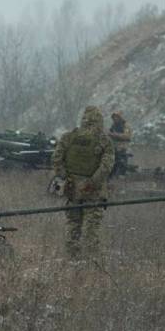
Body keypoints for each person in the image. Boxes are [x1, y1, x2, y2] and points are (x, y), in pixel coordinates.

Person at [52, 106, 115, 257]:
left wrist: (67, 178)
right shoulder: (105, 141)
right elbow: (106, 167)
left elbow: (56, 160)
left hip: (72, 190)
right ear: (100, 121)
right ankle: (92, 265)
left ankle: (71, 260)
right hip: (94, 192)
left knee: (73, 226)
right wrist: (91, 183)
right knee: (91, 230)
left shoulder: (68, 137)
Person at [108, 111, 133, 177]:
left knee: (121, 159)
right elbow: (109, 133)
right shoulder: (113, 125)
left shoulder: (125, 125)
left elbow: (127, 135)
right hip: (114, 144)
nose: (115, 119)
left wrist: (116, 135)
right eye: (114, 117)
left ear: (120, 117)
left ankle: (122, 173)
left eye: (116, 117)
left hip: (123, 144)